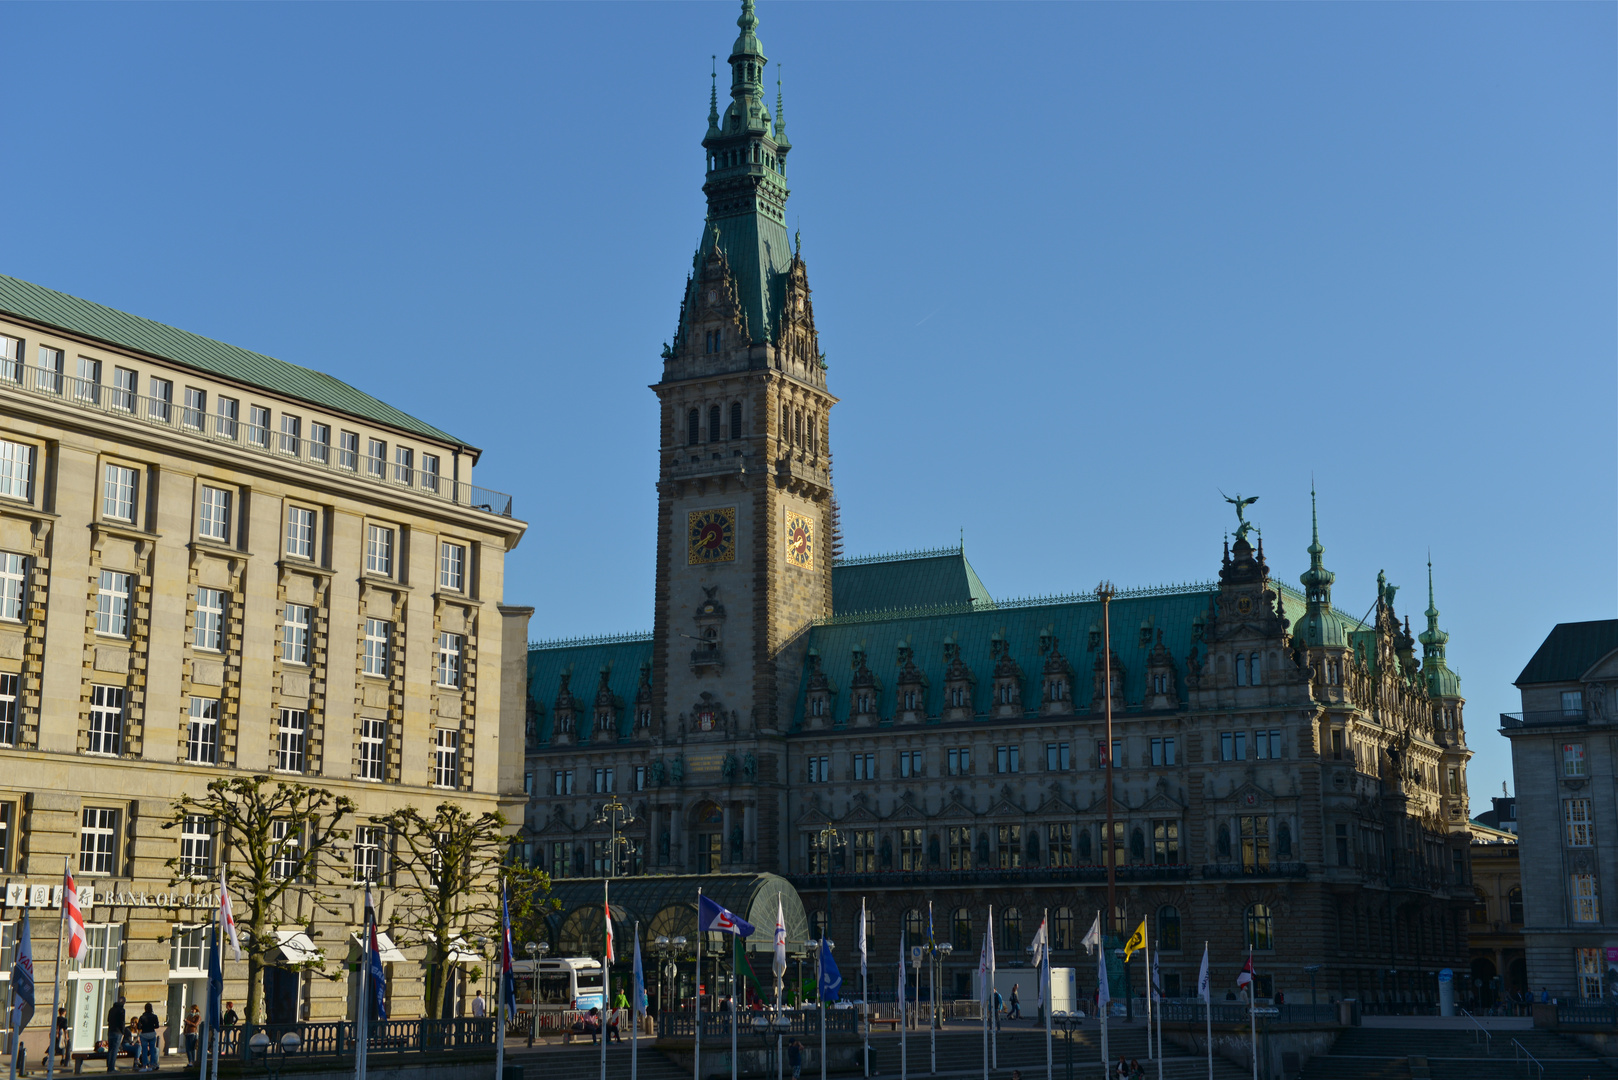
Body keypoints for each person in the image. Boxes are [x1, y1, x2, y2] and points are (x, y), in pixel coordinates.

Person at [135, 1003, 159, 1072]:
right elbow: (157, 1026)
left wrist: (144, 1027)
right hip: (152, 1034)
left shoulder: (142, 1017)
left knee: (144, 1051)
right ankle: (151, 1065)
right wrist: (151, 1026)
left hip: (144, 1034)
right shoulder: (154, 1016)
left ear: (145, 1008)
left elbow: (139, 1027)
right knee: (152, 1050)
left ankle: (144, 1066)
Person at [106, 997, 127, 1073]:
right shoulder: (121, 1010)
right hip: (118, 1032)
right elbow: (122, 1022)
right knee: (115, 1050)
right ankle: (112, 1068)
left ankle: (109, 1067)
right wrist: (123, 1031)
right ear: (123, 1002)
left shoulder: (111, 1009)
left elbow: (108, 1020)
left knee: (110, 1050)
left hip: (110, 1031)